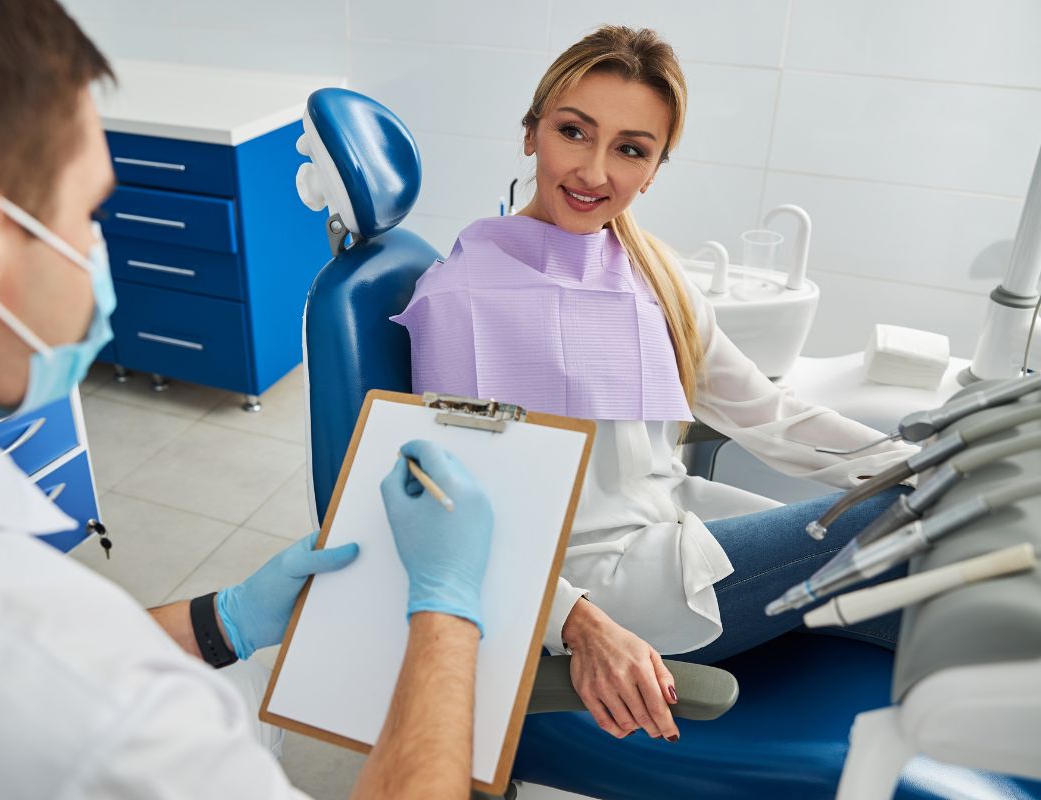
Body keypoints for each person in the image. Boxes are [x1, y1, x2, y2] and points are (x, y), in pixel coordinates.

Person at [0, 3, 494, 798]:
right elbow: (66, 685)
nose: (95, 250)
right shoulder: (112, 719)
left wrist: (224, 621)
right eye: (86, 214)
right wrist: (447, 613)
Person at [392, 25, 916, 744]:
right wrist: (578, 624)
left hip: (674, 532)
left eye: (630, 149)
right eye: (574, 132)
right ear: (530, 134)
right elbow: (455, 510)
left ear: (654, 169)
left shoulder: (648, 273)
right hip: (600, 593)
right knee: (896, 522)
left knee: (938, 591)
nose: (594, 171)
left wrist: (918, 464)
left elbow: (768, 415)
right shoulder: (464, 299)